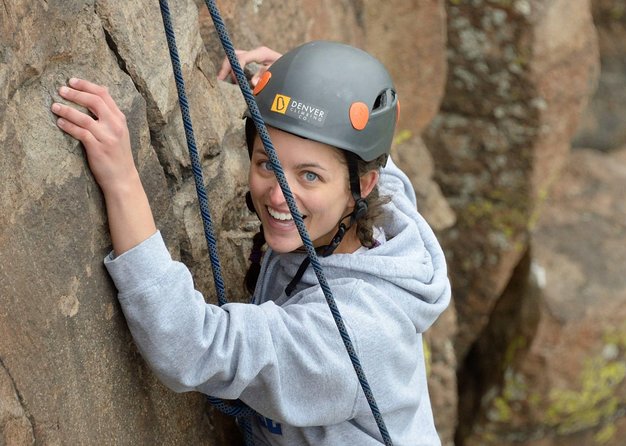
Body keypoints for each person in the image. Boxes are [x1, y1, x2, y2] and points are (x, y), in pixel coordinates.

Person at [51, 40, 450, 445]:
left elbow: (192, 345)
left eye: (309, 175)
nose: (278, 196)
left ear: (361, 186)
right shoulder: (385, 216)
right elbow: (379, 165)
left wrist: (121, 181)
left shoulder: (351, 337)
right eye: (266, 163)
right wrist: (310, 86)